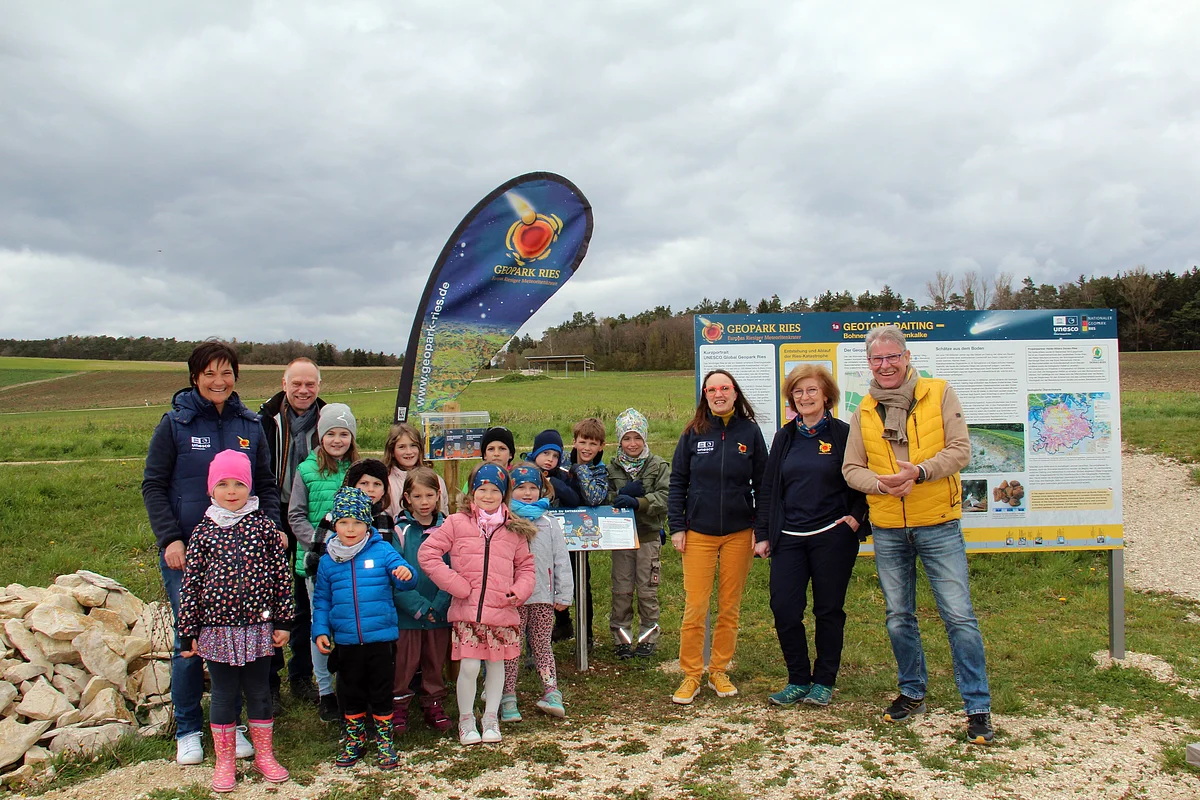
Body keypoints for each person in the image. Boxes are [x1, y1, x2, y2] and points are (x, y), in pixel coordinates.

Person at [841, 324, 994, 744]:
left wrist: (921, 473)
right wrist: (882, 484)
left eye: (893, 357)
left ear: (906, 358)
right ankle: (912, 691)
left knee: (959, 616)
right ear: (868, 363)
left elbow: (961, 449)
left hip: (938, 522)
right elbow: (851, 469)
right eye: (877, 359)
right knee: (898, 617)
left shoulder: (940, 393)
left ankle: (977, 706)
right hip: (888, 526)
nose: (886, 365)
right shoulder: (864, 409)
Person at [142, 340, 280, 765]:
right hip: (191, 551)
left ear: (236, 376)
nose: (219, 381)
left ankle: (231, 724)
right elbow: (153, 485)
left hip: (244, 554)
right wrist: (170, 538)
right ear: (194, 377)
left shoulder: (250, 424)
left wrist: (271, 528)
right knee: (193, 638)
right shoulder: (175, 424)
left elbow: (266, 485)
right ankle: (187, 727)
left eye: (227, 373)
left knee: (238, 639)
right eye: (210, 374)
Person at [754, 365, 870, 708]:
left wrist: (856, 518)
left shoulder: (844, 434)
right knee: (785, 608)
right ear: (792, 399)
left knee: (828, 610)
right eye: (798, 392)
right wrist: (763, 533)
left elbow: (862, 478)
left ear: (826, 396)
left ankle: (824, 681)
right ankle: (798, 679)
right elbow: (769, 488)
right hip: (788, 538)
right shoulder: (784, 437)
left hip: (832, 536)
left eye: (811, 391)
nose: (804, 398)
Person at [177, 450, 292, 792]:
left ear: (249, 487)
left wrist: (283, 621)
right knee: (224, 695)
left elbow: (281, 577)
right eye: (223, 484)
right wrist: (188, 632)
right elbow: (191, 584)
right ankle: (225, 762)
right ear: (211, 489)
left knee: (259, 692)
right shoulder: (203, 532)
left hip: (259, 629)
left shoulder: (264, 527)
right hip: (216, 630)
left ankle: (264, 756)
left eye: (239, 484)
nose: (231, 491)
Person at [418, 464, 536, 746]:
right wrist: (455, 585)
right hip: (467, 611)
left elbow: (527, 568)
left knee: (497, 667)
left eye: (494, 490)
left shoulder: (513, 529)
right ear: (472, 493)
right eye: (482, 489)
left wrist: (519, 591)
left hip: (501, 610)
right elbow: (428, 553)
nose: (487, 495)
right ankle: (467, 719)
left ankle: (491, 718)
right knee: (469, 667)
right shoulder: (456, 523)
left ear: (503, 495)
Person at [667, 369, 766, 705]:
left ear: (735, 393)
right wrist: (677, 527)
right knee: (695, 606)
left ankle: (719, 670)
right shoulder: (693, 433)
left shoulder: (750, 433)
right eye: (712, 389)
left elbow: (764, 486)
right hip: (698, 533)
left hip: (739, 532)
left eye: (725, 388)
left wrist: (761, 530)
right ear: (705, 395)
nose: (719, 394)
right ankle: (691, 674)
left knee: (729, 607)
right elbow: (677, 482)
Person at [312, 487, 417, 769]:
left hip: (380, 639)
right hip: (346, 641)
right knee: (352, 691)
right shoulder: (328, 560)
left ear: (367, 524)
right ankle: (355, 740)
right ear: (334, 525)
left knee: (381, 691)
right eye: (344, 523)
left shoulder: (382, 550)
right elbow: (321, 600)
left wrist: (406, 575)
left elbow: (407, 577)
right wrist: (320, 630)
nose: (350, 529)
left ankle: (385, 742)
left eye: (357, 523)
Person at [259, 357, 325, 706]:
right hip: (272, 511)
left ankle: (301, 675)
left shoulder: (328, 420)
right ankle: (268, 676)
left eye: (310, 384)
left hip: (311, 516)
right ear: (284, 384)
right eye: (296, 384)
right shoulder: (264, 420)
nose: (303, 390)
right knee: (268, 595)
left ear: (319, 386)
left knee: (304, 596)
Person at [289, 403, 359, 721]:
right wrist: (321, 543)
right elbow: (296, 515)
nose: (337, 440)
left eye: (344, 433)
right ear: (321, 435)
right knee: (322, 626)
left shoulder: (357, 471)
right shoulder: (306, 471)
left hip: (352, 561)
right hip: (317, 563)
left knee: (348, 624)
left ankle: (347, 685)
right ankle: (324, 690)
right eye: (331, 433)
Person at [501, 464, 573, 721]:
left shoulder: (549, 523)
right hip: (513, 600)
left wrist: (564, 594)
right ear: (510, 490)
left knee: (542, 644)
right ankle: (507, 695)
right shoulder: (504, 520)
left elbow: (561, 559)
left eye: (533, 487)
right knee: (512, 647)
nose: (528, 493)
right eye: (521, 488)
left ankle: (551, 691)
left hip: (543, 596)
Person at [390, 467, 454, 734]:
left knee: (434, 660)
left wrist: (439, 604)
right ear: (407, 498)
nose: (424, 502)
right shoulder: (400, 531)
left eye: (429, 495)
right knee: (405, 664)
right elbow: (394, 572)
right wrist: (418, 606)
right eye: (418, 496)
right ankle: (398, 708)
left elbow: (456, 568)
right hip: (408, 613)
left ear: (438, 496)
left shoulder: (448, 527)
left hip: (440, 611)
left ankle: (434, 703)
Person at [606, 408, 669, 659]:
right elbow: (605, 498)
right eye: (627, 438)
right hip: (621, 539)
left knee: (647, 590)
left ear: (645, 439)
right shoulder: (612, 468)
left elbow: (666, 497)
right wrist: (617, 499)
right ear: (620, 440)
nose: (632, 444)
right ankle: (621, 638)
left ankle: (647, 636)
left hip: (648, 537)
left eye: (637, 438)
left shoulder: (658, 465)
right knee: (621, 590)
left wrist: (639, 502)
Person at [552, 418, 609, 646]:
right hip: (556, 531)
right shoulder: (559, 463)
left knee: (581, 582)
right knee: (556, 579)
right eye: (583, 442)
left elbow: (595, 497)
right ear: (574, 442)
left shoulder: (600, 470)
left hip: (582, 534)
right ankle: (562, 623)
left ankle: (586, 634)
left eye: (593, 444)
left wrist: (581, 470)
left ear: (601, 446)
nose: (587, 448)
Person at [383, 422, 450, 518]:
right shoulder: (387, 482)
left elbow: (443, 513)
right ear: (392, 451)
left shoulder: (436, 479)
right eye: (402, 447)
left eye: (413, 445)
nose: (409, 452)